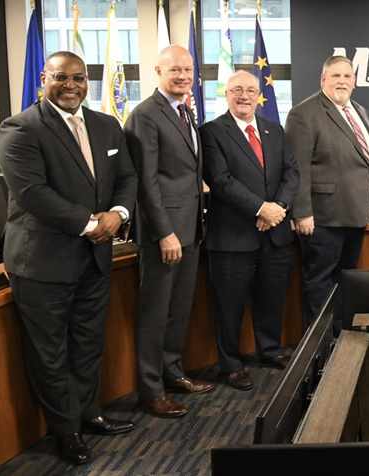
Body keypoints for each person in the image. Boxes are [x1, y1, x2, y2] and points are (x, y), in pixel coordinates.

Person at [0, 51, 137, 465]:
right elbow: (33, 194)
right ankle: (66, 430)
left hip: (95, 258)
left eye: (78, 78)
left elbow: (127, 177)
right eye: (61, 77)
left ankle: (88, 412)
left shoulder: (106, 125)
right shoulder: (20, 128)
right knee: (50, 352)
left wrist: (119, 213)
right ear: (44, 78)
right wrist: (91, 224)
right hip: (43, 261)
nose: (71, 85)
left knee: (88, 343)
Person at [125, 45, 211, 418]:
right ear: (158, 71)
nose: (183, 76)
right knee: (154, 313)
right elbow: (145, 182)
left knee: (178, 309)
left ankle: (173, 372)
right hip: (164, 234)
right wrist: (164, 232)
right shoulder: (145, 115)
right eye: (175, 69)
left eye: (188, 70)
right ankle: (150, 390)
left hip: (189, 228)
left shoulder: (184, 111)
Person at [199, 71, 299, 391]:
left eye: (250, 90)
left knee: (271, 298)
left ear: (259, 95)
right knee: (229, 306)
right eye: (237, 90)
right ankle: (231, 364)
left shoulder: (274, 129)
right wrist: (261, 208)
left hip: (275, 234)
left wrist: (278, 207)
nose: (244, 96)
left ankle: (269, 350)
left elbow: (291, 172)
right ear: (226, 94)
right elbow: (220, 180)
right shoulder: (211, 132)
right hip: (232, 238)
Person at [285, 56, 369, 334]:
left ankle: (339, 335)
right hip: (322, 218)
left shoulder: (359, 110)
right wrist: (302, 212)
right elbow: (298, 168)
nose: (342, 81)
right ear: (323, 79)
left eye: (347, 76)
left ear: (354, 81)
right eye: (336, 76)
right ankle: (319, 343)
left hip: (356, 214)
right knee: (319, 281)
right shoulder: (303, 114)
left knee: (344, 279)